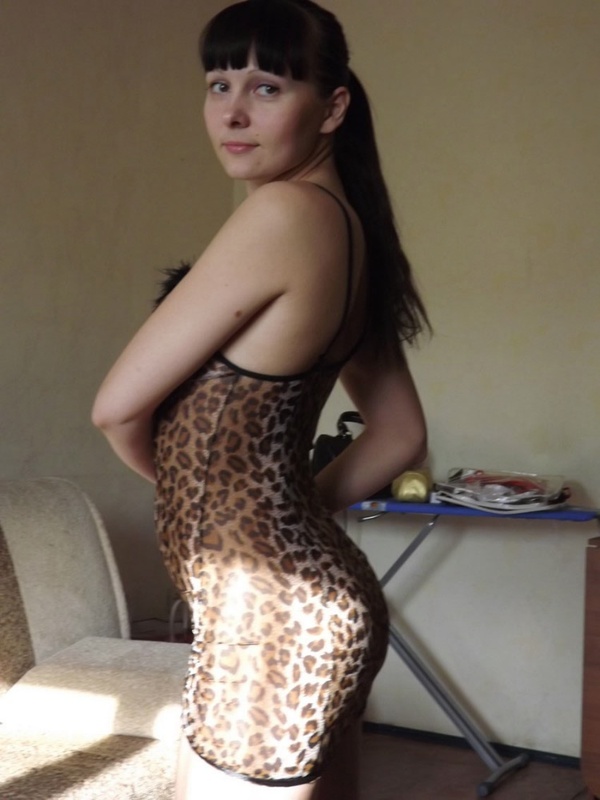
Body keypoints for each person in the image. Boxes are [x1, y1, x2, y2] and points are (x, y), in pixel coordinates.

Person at [92, 1, 429, 797]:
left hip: (272, 619)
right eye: (219, 84)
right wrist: (283, 506)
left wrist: (216, 499)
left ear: (332, 107)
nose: (232, 113)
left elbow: (116, 408)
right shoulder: (349, 231)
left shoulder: (282, 213)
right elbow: (400, 433)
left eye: (268, 87)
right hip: (307, 602)